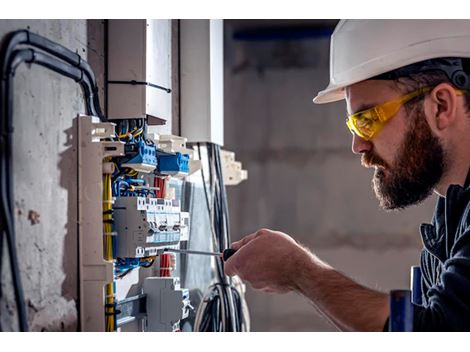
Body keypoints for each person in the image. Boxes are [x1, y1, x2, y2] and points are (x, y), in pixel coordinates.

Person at [223, 19, 470, 331]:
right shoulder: (451, 210)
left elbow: (436, 333)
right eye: (354, 126)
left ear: (441, 106)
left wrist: (300, 271)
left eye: (367, 119)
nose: (358, 145)